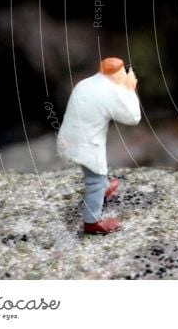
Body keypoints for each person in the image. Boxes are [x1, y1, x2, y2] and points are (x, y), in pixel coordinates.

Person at [57, 57, 141, 234]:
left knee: (96, 173)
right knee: (94, 181)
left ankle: (104, 186)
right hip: (87, 144)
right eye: (122, 73)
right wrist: (130, 89)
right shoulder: (110, 92)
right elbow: (133, 118)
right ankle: (92, 222)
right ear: (118, 74)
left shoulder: (85, 83)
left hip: (69, 138)